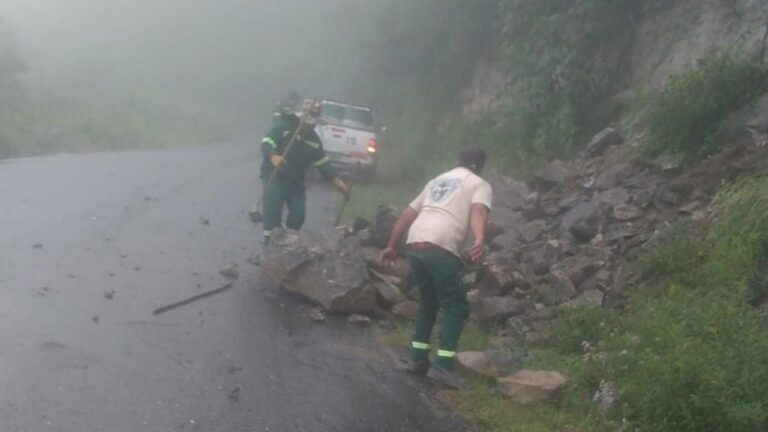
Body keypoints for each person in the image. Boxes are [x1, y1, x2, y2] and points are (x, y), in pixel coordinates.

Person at [380, 146, 492, 388]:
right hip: (441, 244)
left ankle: (417, 358)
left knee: (429, 301)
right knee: (457, 307)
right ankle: (443, 366)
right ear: (481, 165)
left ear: (457, 161)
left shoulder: (436, 181)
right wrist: (479, 238)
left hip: (415, 242)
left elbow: (407, 214)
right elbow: (478, 210)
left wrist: (391, 245)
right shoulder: (479, 184)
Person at [260, 99, 350, 245]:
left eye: (312, 124)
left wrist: (337, 182)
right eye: (307, 123)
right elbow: (266, 142)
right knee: (272, 211)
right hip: (275, 177)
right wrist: (273, 156)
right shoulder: (283, 126)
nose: (309, 127)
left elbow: (323, 163)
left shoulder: (314, 140)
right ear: (299, 119)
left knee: (299, 214)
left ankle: (288, 239)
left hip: (296, 183)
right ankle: (270, 241)